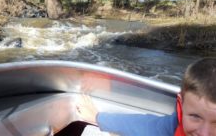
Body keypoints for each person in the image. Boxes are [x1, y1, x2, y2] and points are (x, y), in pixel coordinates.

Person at [76, 58, 216, 136]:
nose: (204, 133)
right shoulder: (173, 125)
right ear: (180, 105)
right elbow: (144, 125)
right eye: (195, 117)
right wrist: (98, 118)